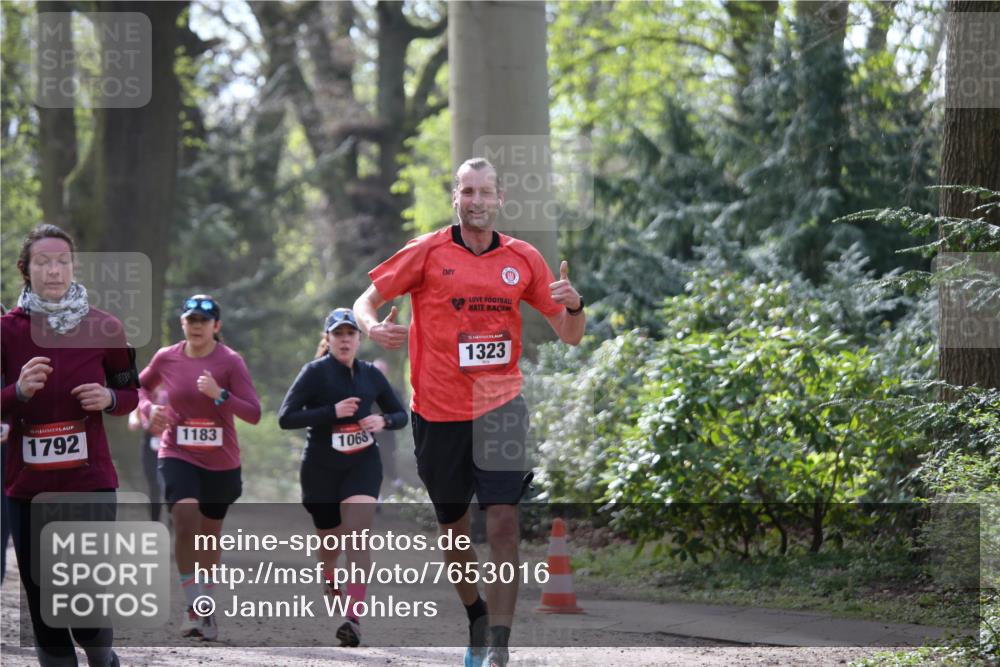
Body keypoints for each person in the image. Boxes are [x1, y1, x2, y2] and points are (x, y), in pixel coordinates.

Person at [354, 157, 585, 667]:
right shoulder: (427, 252)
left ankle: (499, 645)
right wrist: (372, 328)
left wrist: (573, 305)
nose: (477, 201)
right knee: (454, 531)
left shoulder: (523, 259)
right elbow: (364, 301)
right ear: (454, 198)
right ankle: (477, 618)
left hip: (500, 408)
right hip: (437, 413)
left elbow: (569, 335)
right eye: (468, 191)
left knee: (503, 524)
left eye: (485, 192)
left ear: (500, 199)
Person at [2, 224, 139, 667]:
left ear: (74, 267)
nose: (54, 270)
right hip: (28, 489)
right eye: (43, 262)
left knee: (84, 604)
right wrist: (16, 393)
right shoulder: (7, 332)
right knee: (45, 608)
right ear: (26, 270)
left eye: (62, 261)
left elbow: (130, 393)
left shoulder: (106, 326)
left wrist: (111, 398)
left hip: (90, 484)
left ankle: (104, 659)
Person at [278, 308, 407, 647]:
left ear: (359, 339)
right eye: (339, 334)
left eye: (351, 334)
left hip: (362, 464)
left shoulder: (370, 376)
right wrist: (330, 413)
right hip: (321, 468)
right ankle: (329, 574)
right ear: (329, 339)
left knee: (358, 533)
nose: (345, 339)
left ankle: (353, 616)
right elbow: (286, 417)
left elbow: (399, 413)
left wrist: (384, 422)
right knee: (330, 542)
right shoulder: (314, 373)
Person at [138, 294, 261, 642]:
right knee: (184, 515)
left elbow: (253, 412)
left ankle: (204, 605)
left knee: (209, 534)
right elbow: (141, 387)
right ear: (182, 324)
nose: (196, 326)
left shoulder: (230, 362)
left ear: (216, 327)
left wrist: (220, 394)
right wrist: (149, 411)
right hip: (177, 451)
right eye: (191, 320)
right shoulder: (167, 357)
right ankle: (194, 604)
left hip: (221, 462)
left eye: (203, 321)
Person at [127, 386, 167, 521]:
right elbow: (132, 421)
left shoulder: (170, 393)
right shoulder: (142, 398)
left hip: (170, 441)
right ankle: (155, 520)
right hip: (149, 441)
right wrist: (140, 422)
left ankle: (174, 517)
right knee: (154, 484)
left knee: (168, 482)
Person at [372, 358, 405, 493]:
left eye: (382, 370)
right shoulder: (363, 390)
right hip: (366, 433)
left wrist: (385, 421)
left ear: (386, 372)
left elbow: (401, 414)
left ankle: (395, 480)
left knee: (388, 458)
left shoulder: (394, 392)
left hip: (387, 433)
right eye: (376, 370)